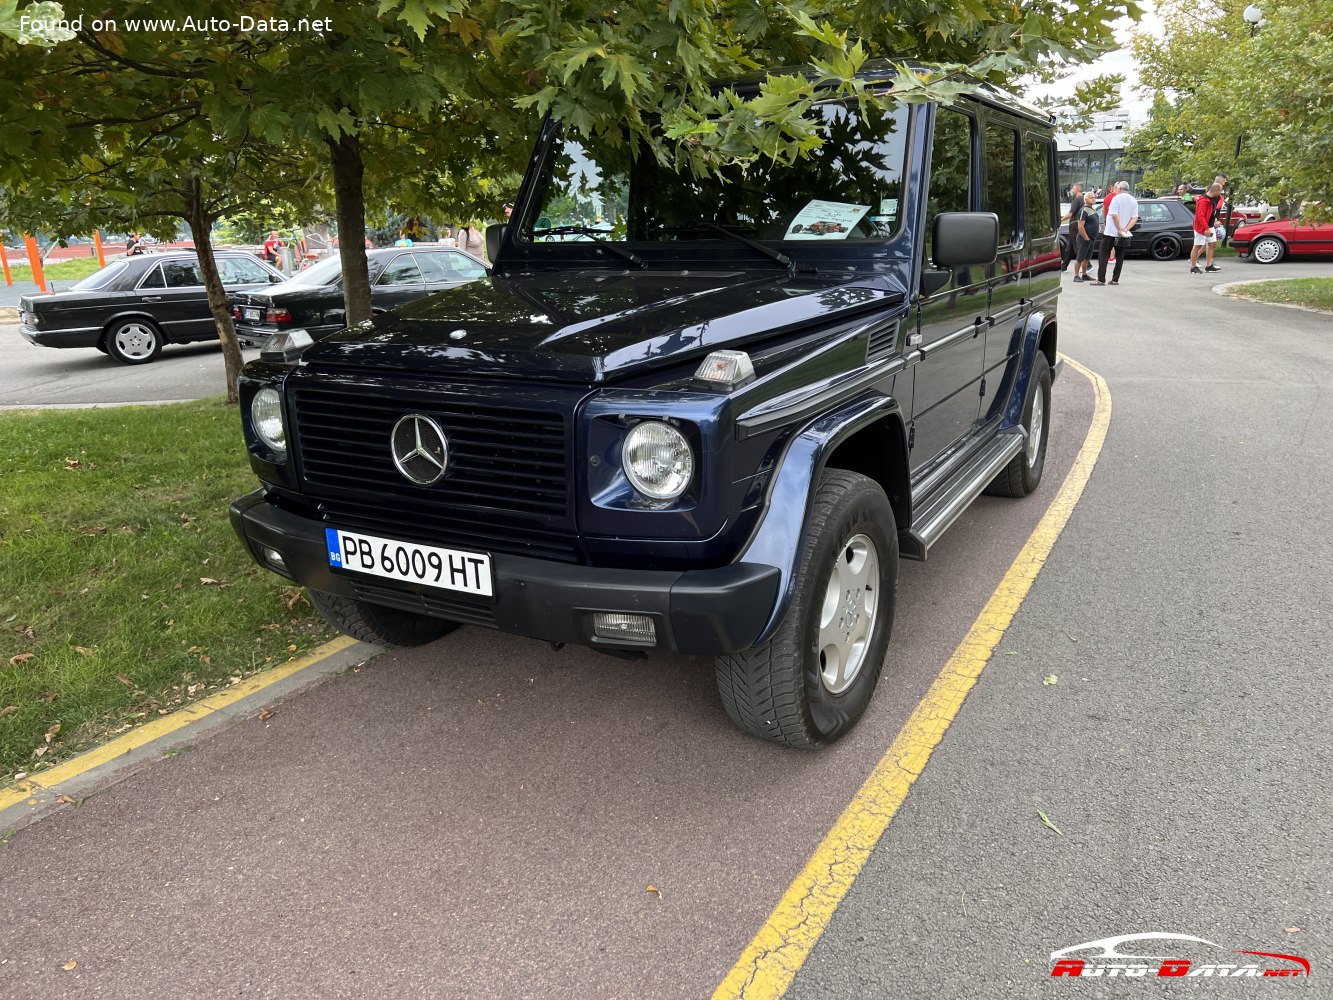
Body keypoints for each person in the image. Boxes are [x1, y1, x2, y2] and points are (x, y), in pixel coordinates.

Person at [1092, 181, 1138, 286]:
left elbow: (1114, 215)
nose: (1115, 190)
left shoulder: (1116, 199)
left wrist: (1119, 228)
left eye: (1116, 188)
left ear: (1120, 189)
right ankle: (1115, 279)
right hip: (1123, 234)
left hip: (1111, 232)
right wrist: (1126, 229)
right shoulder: (1133, 200)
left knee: (1103, 254)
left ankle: (1101, 279)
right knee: (1120, 256)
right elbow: (1134, 217)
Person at [1189, 182, 1225, 274]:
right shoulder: (1203, 201)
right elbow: (1200, 216)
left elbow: (1213, 213)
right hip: (1201, 227)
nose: (1220, 193)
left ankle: (1209, 266)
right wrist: (1206, 228)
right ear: (1216, 190)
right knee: (1197, 246)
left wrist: (1214, 222)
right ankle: (1193, 267)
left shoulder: (1213, 199)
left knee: (1212, 244)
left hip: (1210, 225)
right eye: (1220, 191)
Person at [1072, 189, 1100, 282]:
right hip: (1084, 239)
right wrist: (1086, 238)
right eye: (1091, 197)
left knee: (1087, 258)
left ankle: (1084, 274)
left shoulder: (1092, 209)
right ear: (1086, 199)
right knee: (1080, 257)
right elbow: (1080, 226)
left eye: (1094, 197)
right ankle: (1076, 276)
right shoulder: (1083, 210)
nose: (1094, 199)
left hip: (1091, 238)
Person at [1060, 184, 1084, 272]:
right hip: (1079, 225)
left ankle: (1086, 265)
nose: (1071, 191)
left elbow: (1070, 214)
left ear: (1077, 190)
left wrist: (1060, 220)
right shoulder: (1083, 199)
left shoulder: (1076, 199)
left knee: (1076, 246)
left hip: (1074, 225)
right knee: (1070, 248)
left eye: (1073, 189)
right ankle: (1063, 267)